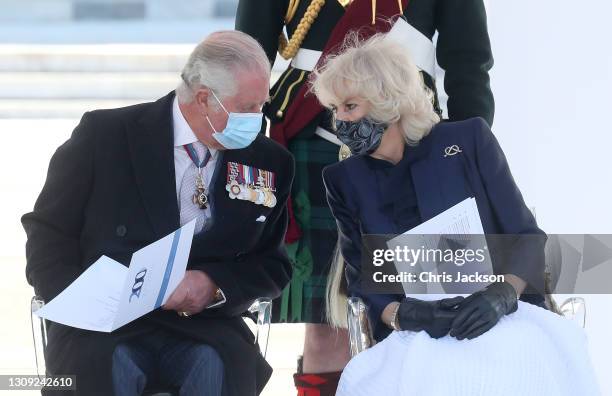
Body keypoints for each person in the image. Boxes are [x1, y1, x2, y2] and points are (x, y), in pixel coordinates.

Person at [313, 34, 600, 395]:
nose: (339, 120)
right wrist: (406, 316)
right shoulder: (343, 179)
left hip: (502, 316)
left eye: (349, 106)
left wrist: (501, 297)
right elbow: (363, 282)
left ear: (389, 101)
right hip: (417, 335)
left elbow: (526, 237)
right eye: (334, 108)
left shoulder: (469, 141)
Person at [236, 0, 494, 393]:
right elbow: (247, 56)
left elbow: (468, 65)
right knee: (326, 328)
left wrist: (461, 159)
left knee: (420, 317)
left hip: (411, 148)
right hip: (311, 148)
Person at [22, 31, 294, 396]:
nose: (256, 119)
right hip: (105, 323)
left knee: (215, 368)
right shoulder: (106, 135)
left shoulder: (269, 160)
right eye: (247, 107)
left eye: (261, 105)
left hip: (205, 324)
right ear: (203, 99)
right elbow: (48, 232)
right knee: (107, 368)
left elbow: (272, 265)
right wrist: (74, 302)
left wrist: (213, 286)